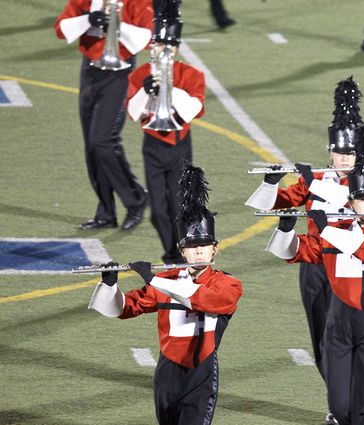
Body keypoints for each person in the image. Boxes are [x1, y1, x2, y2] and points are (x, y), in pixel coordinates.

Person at [266, 123, 364, 425]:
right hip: (339, 328)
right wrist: (285, 228)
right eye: (363, 200)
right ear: (351, 201)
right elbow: (290, 252)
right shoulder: (337, 233)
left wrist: (327, 228)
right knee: (341, 409)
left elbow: (363, 247)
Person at [245, 76, 364, 424]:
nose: (343, 159)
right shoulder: (317, 179)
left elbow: (353, 206)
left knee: (348, 341)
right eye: (338, 152)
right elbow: (277, 205)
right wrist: (271, 183)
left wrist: (313, 183)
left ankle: (351, 407)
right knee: (321, 341)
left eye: (350, 153)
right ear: (329, 151)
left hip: (351, 265)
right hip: (314, 262)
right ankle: (342, 407)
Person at [88, 163, 242, 425]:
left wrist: (154, 278)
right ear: (182, 252)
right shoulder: (165, 282)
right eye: (192, 247)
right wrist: (110, 285)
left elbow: (204, 299)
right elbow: (122, 309)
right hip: (167, 371)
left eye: (205, 246)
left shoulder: (227, 284)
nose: (199, 252)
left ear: (215, 249)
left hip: (201, 371)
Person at [54, 0, 152, 230]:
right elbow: (61, 28)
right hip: (89, 71)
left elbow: (147, 37)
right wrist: (88, 19)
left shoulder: (137, 2)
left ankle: (136, 197)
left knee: (102, 141)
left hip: (119, 74)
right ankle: (106, 212)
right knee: (91, 146)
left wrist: (117, 24)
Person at [127, 0, 206, 264]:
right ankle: (171, 252)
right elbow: (133, 112)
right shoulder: (140, 75)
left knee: (177, 206)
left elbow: (194, 108)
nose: (165, 51)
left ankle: (182, 253)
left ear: (178, 47)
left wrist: (170, 87)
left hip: (179, 147)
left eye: (170, 46)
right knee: (158, 212)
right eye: (160, 45)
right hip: (152, 147)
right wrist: (145, 92)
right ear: (153, 46)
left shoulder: (191, 75)